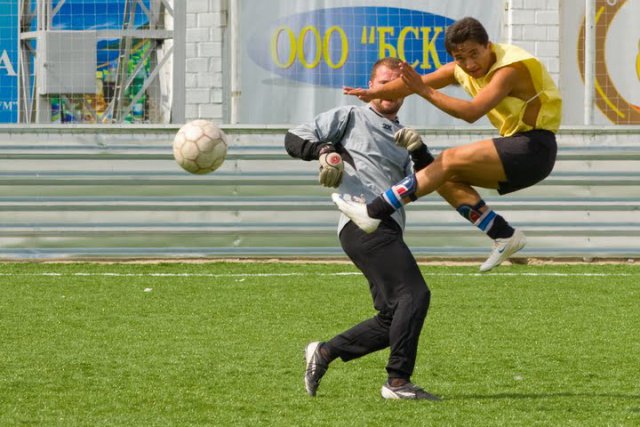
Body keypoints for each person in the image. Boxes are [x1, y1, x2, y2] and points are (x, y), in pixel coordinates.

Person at [337, 16, 562, 272]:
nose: (469, 64)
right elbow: (413, 84)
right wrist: (374, 93)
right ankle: (503, 234)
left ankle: (374, 211)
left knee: (448, 159)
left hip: (534, 147)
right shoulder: (460, 68)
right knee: (441, 177)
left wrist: (424, 91)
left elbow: (471, 112)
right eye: (460, 58)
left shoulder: (510, 69)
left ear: (488, 45)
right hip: (520, 149)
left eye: (474, 54)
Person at [284, 57, 440, 400]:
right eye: (383, 84)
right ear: (371, 86)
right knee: (414, 295)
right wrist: (324, 151)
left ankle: (324, 352)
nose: (389, 91)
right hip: (362, 224)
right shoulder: (351, 116)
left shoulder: (404, 136)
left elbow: (426, 181)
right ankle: (398, 382)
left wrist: (419, 151)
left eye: (396, 86)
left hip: (386, 228)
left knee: (393, 318)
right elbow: (293, 138)